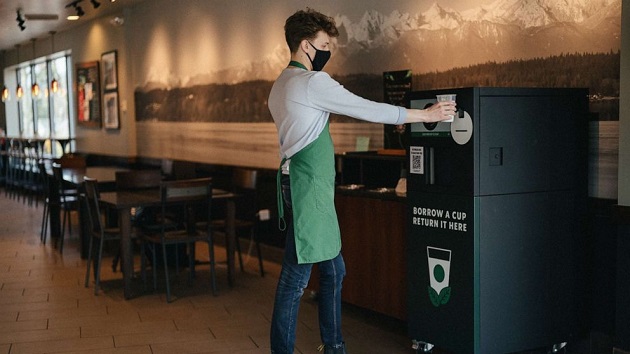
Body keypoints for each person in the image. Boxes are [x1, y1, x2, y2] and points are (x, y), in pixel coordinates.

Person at [268, 9, 456, 354]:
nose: (328, 52)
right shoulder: (311, 82)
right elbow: (365, 108)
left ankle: (334, 344)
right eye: (325, 44)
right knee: (295, 279)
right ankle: (299, 348)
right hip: (310, 189)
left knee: (334, 270)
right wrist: (423, 115)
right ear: (307, 45)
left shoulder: (280, 84)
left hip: (294, 182)